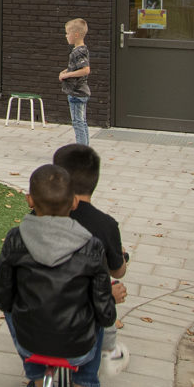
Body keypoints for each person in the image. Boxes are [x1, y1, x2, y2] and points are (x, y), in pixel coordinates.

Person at [0, 161, 115, 387]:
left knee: (9, 303)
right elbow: (106, 313)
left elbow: (1, 296)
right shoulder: (92, 246)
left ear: (29, 200)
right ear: (75, 202)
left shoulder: (15, 239)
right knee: (101, 305)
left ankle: (38, 384)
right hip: (80, 347)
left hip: (29, 343)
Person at [56, 143, 129, 371]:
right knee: (108, 293)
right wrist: (122, 258)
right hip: (83, 313)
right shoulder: (105, 225)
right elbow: (118, 270)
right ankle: (88, 380)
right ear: (94, 181)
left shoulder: (39, 217)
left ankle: (37, 381)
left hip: (40, 315)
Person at [60, 18, 92, 145]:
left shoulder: (78, 52)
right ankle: (85, 149)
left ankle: (81, 150)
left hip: (77, 93)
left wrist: (67, 75)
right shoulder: (82, 49)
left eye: (68, 33)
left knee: (78, 123)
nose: (66, 36)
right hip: (79, 92)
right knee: (82, 122)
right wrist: (65, 72)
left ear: (76, 35)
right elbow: (77, 67)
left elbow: (85, 70)